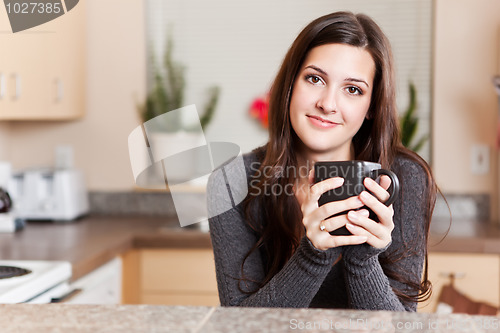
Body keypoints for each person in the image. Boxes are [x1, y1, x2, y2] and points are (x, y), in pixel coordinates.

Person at [207, 11, 437, 311]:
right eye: (315, 79)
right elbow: (241, 325)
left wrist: (363, 259)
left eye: (353, 89)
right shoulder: (231, 181)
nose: (328, 104)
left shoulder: (404, 177)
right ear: (290, 85)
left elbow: (399, 327)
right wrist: (314, 253)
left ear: (371, 106)